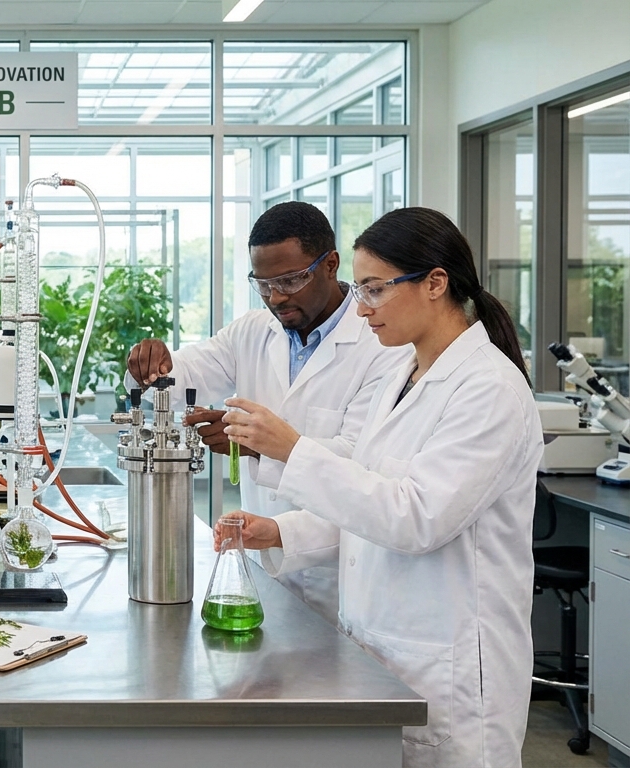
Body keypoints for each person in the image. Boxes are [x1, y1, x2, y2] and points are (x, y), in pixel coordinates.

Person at [219, 207, 541, 767]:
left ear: (435, 283)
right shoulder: (400, 371)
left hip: (451, 668)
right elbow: (368, 494)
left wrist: (292, 449)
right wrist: (280, 531)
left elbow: (415, 518)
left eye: (373, 290)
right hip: (382, 653)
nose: (360, 307)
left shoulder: (488, 390)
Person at [126, 201, 408, 623]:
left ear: (330, 265)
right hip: (261, 571)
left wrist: (257, 446)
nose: (276, 297)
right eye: (263, 283)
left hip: (339, 577)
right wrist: (149, 364)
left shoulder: (381, 344)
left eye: (291, 280)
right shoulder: (254, 332)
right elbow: (179, 376)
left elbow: (362, 462)